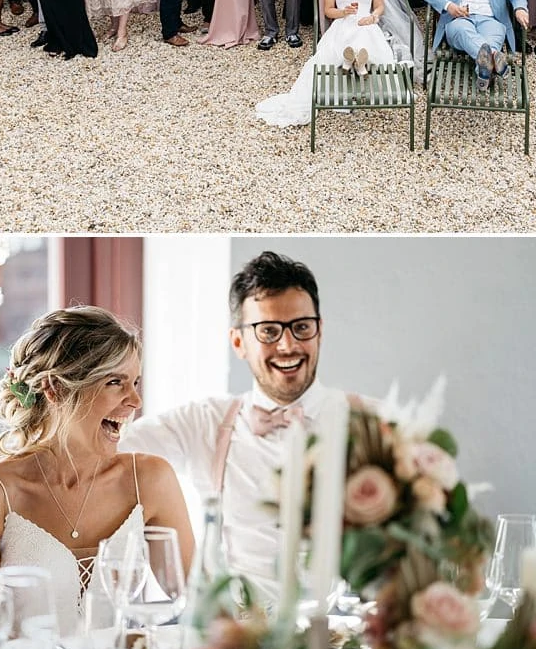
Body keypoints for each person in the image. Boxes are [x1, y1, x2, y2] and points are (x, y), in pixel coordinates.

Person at [119, 251, 360, 601]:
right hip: (237, 633)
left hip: (340, 637)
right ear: (238, 342)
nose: (288, 345)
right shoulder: (204, 422)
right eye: (268, 331)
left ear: (319, 331)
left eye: (301, 327)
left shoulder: (373, 424)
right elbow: (106, 449)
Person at [0, 307, 194, 638]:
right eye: (114, 382)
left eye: (135, 382)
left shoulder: (151, 480)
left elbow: (198, 603)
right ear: (55, 389)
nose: (135, 400)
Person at [255, 0, 417, 127]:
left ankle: (356, 63)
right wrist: (344, 12)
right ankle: (354, 62)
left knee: (367, 36)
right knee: (341, 44)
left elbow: (380, 6)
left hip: (366, 22)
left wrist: (373, 17)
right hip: (343, 22)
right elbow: (327, 10)